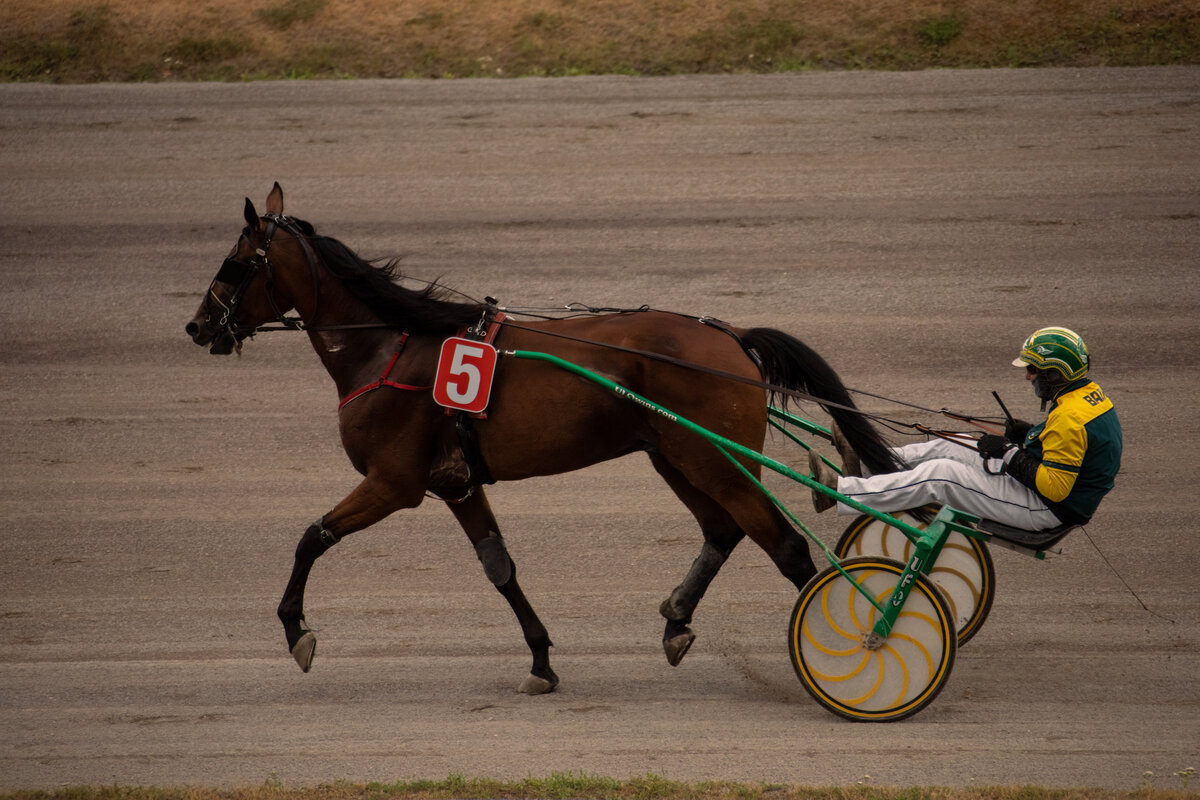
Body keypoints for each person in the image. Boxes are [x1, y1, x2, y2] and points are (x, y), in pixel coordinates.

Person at [808, 326, 1122, 531]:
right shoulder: (1085, 397)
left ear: (1054, 374)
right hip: (1047, 494)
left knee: (941, 476)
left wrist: (1009, 453)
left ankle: (839, 493)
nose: (1029, 377)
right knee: (955, 444)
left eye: (1033, 370)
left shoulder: (1069, 417)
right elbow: (1063, 447)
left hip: (1047, 509)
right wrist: (1025, 435)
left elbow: (1056, 487)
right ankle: (867, 463)